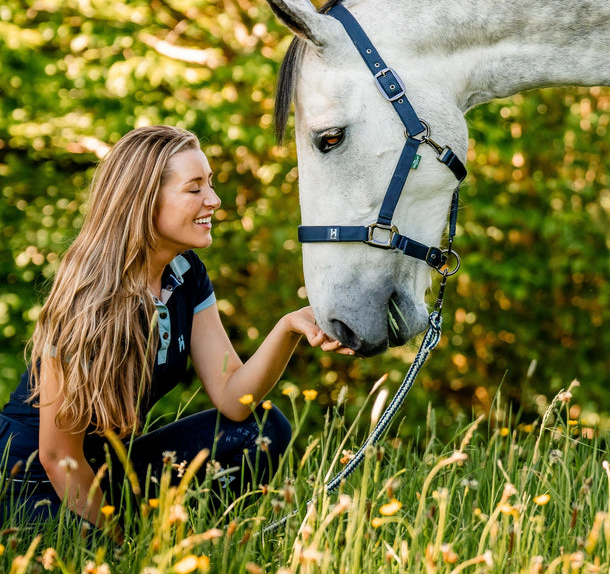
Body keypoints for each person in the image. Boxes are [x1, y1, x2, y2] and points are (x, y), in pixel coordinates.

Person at [0, 125, 350, 533]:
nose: (213, 200)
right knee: (91, 558)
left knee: (262, 430)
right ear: (144, 201)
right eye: (194, 188)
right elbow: (59, 456)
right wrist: (116, 545)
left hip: (109, 470)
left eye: (210, 184)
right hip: (31, 481)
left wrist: (288, 327)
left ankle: (192, 541)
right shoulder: (87, 296)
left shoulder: (185, 273)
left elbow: (234, 399)